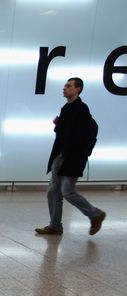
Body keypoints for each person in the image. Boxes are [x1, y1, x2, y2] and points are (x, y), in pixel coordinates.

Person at [35, 77, 106, 236]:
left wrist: (60, 127)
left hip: (72, 158)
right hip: (60, 156)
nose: (64, 88)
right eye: (65, 86)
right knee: (53, 192)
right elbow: (65, 133)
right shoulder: (66, 108)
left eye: (69, 86)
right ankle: (55, 226)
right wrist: (59, 126)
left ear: (77, 89)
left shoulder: (81, 109)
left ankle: (95, 214)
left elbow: (80, 134)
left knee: (67, 191)